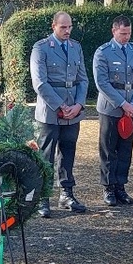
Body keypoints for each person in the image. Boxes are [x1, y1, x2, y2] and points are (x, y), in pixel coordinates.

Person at [30, 11, 88, 216]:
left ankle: (66, 194)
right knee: (45, 156)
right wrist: (61, 106)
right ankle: (42, 198)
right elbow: (40, 83)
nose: (67, 31)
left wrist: (79, 105)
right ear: (53, 26)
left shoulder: (75, 47)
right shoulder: (41, 48)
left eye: (70, 27)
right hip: (50, 111)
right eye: (63, 27)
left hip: (73, 110)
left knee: (68, 153)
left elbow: (83, 79)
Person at [93, 15, 133, 207]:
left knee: (125, 150)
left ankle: (120, 187)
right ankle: (108, 187)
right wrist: (123, 104)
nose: (126, 37)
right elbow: (102, 83)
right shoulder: (103, 52)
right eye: (123, 33)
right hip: (111, 109)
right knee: (109, 149)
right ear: (114, 31)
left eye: (129, 33)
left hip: (131, 109)